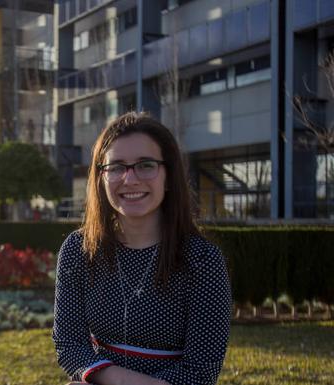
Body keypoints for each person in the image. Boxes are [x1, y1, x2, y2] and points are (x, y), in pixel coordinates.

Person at [52, 112, 232, 385]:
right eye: (116, 167)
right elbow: (69, 345)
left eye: (145, 165)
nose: (130, 179)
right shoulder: (79, 249)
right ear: (101, 178)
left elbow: (200, 371)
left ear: (169, 176)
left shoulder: (202, 259)